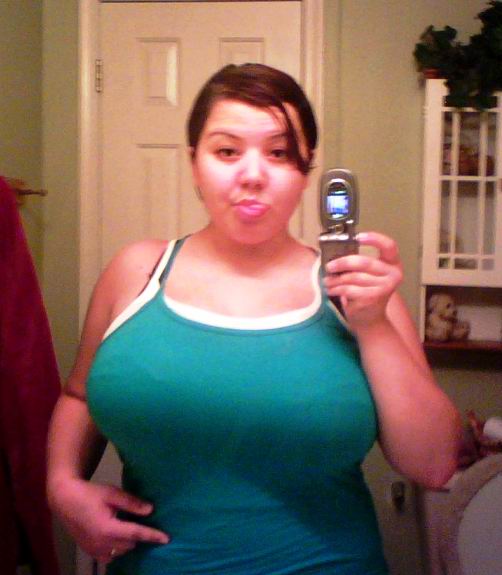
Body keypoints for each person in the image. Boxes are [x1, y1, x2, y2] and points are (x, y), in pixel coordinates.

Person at [47, 63, 461, 575]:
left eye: (279, 153)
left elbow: (435, 464)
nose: (252, 174)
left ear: (305, 172)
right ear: (194, 162)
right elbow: (78, 396)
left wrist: (374, 324)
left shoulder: (357, 292)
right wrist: (61, 484)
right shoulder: (135, 272)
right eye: (227, 151)